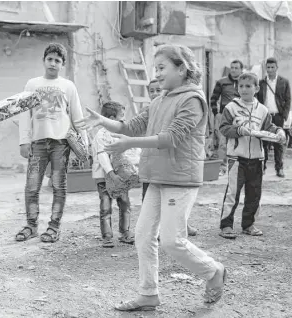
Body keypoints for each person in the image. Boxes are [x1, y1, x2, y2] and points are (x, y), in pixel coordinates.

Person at [76, 44, 226, 311]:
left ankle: (213, 271)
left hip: (181, 179)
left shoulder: (193, 100)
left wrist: (128, 143)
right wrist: (102, 121)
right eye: (154, 68)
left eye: (161, 68)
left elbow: (171, 138)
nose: (156, 74)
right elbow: (130, 125)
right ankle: (148, 294)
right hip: (157, 177)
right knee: (144, 235)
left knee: (172, 241)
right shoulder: (159, 101)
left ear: (181, 69)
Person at [16, 43, 88, 243]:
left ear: (62, 64)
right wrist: (24, 141)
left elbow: (77, 115)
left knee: (58, 186)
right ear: (44, 60)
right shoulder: (32, 84)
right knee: (32, 187)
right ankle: (31, 226)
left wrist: (85, 145)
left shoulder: (68, 86)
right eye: (50, 59)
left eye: (58, 60)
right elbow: (24, 114)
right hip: (37, 143)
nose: (53, 63)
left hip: (61, 143)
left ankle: (54, 227)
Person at [219, 73, 286, 239]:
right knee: (232, 192)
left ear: (256, 88)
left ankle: (248, 225)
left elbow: (269, 127)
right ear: (237, 88)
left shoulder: (262, 110)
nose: (244, 89)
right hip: (236, 158)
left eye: (248, 86)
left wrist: (279, 131)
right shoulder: (231, 108)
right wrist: (238, 131)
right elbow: (224, 128)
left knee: (254, 193)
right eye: (241, 86)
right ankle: (226, 225)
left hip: (257, 159)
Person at [144, 79, 197, 236]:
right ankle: (156, 230)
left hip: (170, 162)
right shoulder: (148, 109)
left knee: (173, 202)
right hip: (151, 163)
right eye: (151, 90)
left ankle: (181, 224)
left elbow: (173, 136)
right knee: (150, 201)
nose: (154, 93)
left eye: (157, 90)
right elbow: (134, 129)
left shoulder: (183, 104)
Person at [92, 101, 136, 248]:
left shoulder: (120, 133)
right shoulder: (101, 135)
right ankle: (107, 236)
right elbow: (102, 156)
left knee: (124, 203)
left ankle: (125, 232)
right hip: (104, 177)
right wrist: (111, 174)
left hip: (120, 177)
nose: (124, 119)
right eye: (121, 116)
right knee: (105, 206)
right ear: (112, 118)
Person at [256, 57, 291, 178]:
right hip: (265, 117)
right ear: (266, 68)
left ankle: (279, 168)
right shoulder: (261, 83)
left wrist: (284, 115)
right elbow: (257, 100)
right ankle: (262, 167)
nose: (270, 70)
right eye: (268, 67)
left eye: (272, 67)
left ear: (277, 68)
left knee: (279, 143)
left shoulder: (284, 82)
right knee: (264, 142)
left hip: (278, 116)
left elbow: (288, 99)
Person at [210, 60, 243, 176]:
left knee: (239, 142)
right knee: (223, 143)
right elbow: (213, 99)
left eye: (236, 68)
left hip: (240, 117)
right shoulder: (222, 82)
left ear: (241, 70)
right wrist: (216, 113)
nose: (233, 70)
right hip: (225, 117)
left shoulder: (244, 82)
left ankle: (238, 168)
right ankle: (222, 167)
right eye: (232, 67)